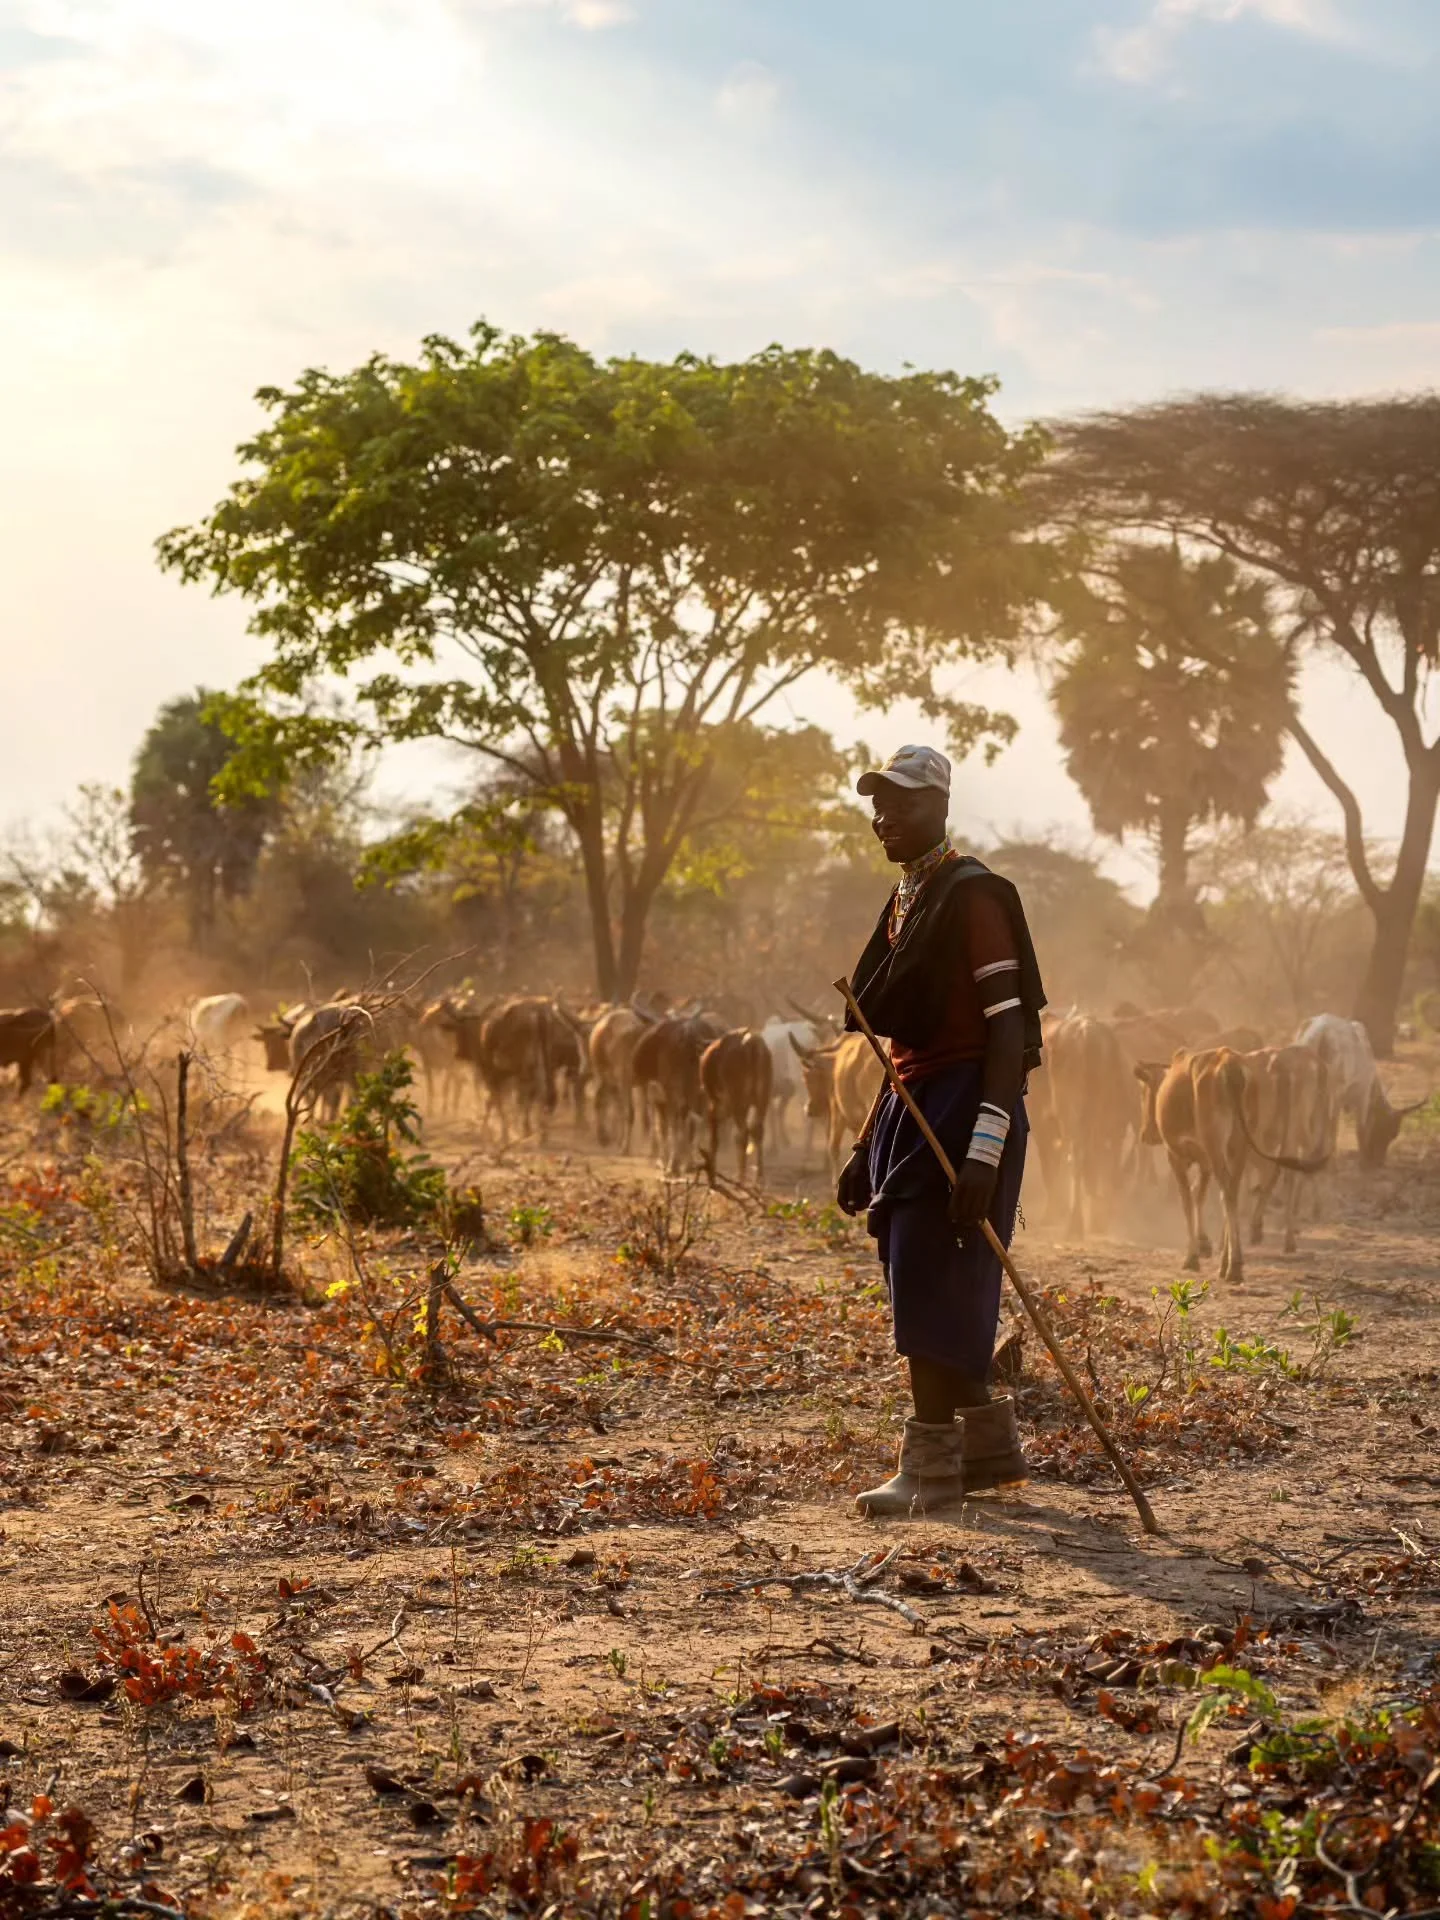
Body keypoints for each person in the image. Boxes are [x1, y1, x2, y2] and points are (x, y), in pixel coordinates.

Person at [836, 744, 1046, 1516]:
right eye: (879, 803)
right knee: (923, 1270)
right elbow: (903, 1050)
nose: (886, 817)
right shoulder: (907, 901)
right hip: (915, 1103)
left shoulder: (973, 896)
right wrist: (867, 1145)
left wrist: (985, 1149)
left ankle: (928, 1463)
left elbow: (1007, 1029)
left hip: (968, 1105)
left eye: (906, 802)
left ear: (943, 807)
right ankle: (989, 1452)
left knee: (935, 1277)